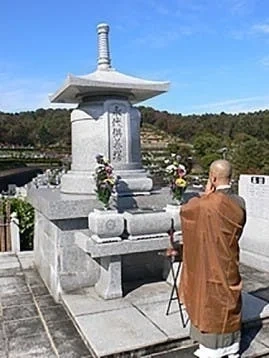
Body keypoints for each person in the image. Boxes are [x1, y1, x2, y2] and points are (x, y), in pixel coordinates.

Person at [179, 160, 246, 358]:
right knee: (229, 296)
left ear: (212, 178)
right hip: (228, 259)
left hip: (210, 262)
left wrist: (207, 196)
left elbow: (186, 211)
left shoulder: (205, 204)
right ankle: (232, 346)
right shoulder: (239, 202)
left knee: (211, 300)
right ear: (231, 178)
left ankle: (213, 349)